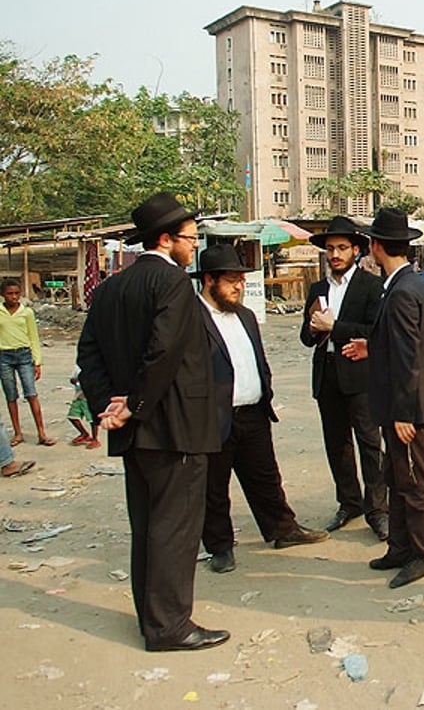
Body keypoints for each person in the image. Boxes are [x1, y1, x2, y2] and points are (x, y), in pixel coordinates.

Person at [76, 192, 228, 652]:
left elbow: (90, 355)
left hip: (134, 431)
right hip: (173, 426)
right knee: (175, 528)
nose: (194, 245)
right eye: (190, 238)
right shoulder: (173, 284)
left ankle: (152, 616)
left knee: (146, 525)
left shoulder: (110, 288)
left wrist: (109, 404)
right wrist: (132, 405)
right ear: (165, 240)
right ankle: (170, 627)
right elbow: (163, 353)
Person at [195, 245, 328, 574]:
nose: (239, 286)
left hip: (253, 412)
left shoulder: (245, 315)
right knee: (214, 488)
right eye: (231, 280)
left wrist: (264, 389)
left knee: (266, 478)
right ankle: (220, 547)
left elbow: (258, 360)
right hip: (213, 418)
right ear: (209, 280)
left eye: (241, 279)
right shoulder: (190, 318)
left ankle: (283, 530)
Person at [345, 208, 424, 589]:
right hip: (400, 401)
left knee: (415, 480)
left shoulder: (403, 290)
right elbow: (404, 342)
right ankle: (401, 546)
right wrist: (371, 346)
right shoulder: (405, 283)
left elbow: (409, 357)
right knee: (398, 477)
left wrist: (404, 413)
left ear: (375, 246)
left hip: (408, 405)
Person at [301, 217, 388, 540]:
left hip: (360, 376)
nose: (334, 254)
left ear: (355, 250)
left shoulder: (370, 286)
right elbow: (307, 337)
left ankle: (378, 509)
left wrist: (334, 328)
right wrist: (312, 328)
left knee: (369, 443)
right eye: (330, 249)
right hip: (326, 375)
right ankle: (348, 502)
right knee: (337, 445)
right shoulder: (317, 289)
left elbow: (374, 332)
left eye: (341, 248)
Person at [0, 279, 53, 446]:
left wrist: (37, 362)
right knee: (11, 396)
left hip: (24, 355)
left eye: (16, 293)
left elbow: (33, 337)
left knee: (31, 394)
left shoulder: (27, 312)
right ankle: (18, 433)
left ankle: (41, 433)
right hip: (4, 357)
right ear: (3, 294)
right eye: (10, 293)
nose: (14, 297)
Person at [67, 365, 100, 448]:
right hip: (79, 396)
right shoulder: (78, 367)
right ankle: (84, 433)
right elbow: (72, 379)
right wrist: (76, 381)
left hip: (90, 397)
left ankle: (95, 439)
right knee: (72, 416)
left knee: (92, 419)